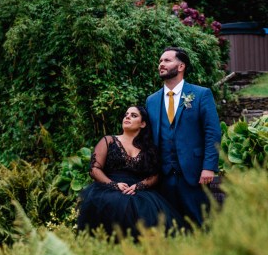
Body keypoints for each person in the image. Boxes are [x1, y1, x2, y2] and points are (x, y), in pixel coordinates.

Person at [77, 105, 187, 239]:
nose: (127, 117)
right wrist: (114, 185)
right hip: (109, 189)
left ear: (143, 124)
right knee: (116, 203)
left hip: (138, 190)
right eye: (126, 114)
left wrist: (139, 186)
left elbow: (155, 175)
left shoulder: (148, 149)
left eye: (134, 115)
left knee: (148, 211)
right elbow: (94, 169)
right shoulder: (109, 140)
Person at [146, 46, 222, 226]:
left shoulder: (201, 94)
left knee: (198, 223)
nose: (161, 65)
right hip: (162, 176)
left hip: (194, 173)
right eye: (160, 61)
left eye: (167, 60)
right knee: (168, 226)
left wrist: (209, 167)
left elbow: (212, 132)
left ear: (181, 66)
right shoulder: (151, 100)